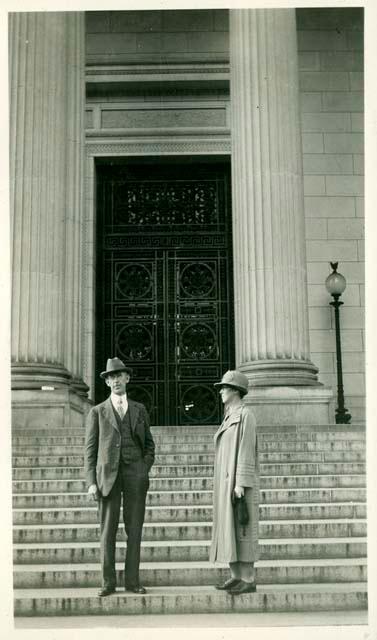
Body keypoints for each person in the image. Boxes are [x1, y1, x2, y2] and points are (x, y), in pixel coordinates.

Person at [85, 357, 155, 597]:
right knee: (108, 530)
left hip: (135, 474)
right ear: (107, 382)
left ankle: (133, 581)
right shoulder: (97, 411)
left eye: (119, 376)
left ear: (127, 378)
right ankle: (108, 582)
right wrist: (91, 482)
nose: (115, 380)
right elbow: (90, 451)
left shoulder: (139, 409)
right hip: (108, 476)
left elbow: (149, 445)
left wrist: (143, 468)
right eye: (111, 377)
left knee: (134, 529)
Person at [209, 370, 259, 595]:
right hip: (225, 483)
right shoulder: (230, 415)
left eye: (224, 387)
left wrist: (241, 483)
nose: (221, 391)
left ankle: (248, 578)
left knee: (242, 530)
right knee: (230, 529)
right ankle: (235, 575)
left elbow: (246, 450)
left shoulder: (246, 415)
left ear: (236, 391)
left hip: (238, 484)